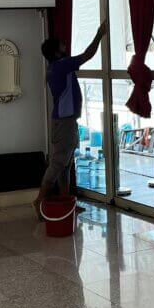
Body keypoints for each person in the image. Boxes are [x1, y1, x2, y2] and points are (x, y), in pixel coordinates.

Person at [35, 21, 108, 218]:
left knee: (65, 165)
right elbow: (87, 55)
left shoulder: (54, 67)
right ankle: (39, 201)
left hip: (65, 121)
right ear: (56, 51)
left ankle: (66, 203)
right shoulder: (62, 66)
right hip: (64, 122)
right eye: (62, 45)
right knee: (58, 164)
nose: (65, 46)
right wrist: (99, 34)